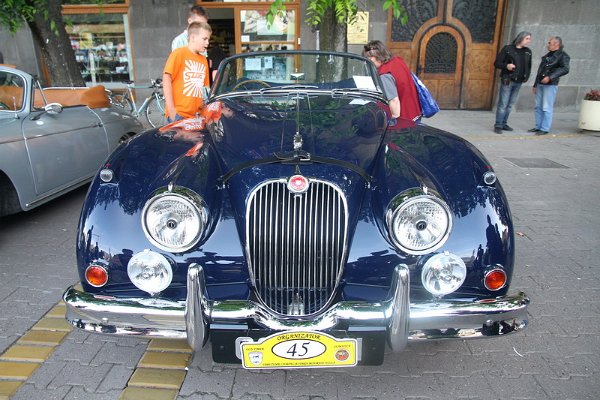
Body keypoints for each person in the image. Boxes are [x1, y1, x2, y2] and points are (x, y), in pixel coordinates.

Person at [163, 22, 212, 122]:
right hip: (179, 114)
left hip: (196, 116)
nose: (207, 43)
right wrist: (171, 110)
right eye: (204, 39)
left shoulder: (203, 60)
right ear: (193, 37)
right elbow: (166, 79)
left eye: (208, 39)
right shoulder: (178, 53)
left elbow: (203, 89)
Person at [362, 40, 421, 121]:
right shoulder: (397, 61)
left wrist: (394, 121)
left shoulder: (385, 75)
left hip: (405, 117)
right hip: (414, 110)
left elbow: (394, 101)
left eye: (368, 59)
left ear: (378, 57)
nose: (367, 62)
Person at [529, 36, 570, 135]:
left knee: (546, 107)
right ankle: (538, 126)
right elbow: (540, 70)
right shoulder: (548, 55)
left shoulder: (563, 55)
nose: (548, 45)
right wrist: (535, 84)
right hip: (540, 83)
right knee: (538, 106)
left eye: (549, 43)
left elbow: (565, 69)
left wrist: (550, 77)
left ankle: (545, 128)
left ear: (556, 44)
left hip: (550, 84)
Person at [493, 31, 532, 134]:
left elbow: (529, 66)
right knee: (503, 104)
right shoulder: (508, 49)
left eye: (529, 39)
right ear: (521, 38)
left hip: (519, 81)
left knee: (510, 105)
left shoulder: (528, 52)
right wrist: (507, 66)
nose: (529, 41)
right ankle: (498, 125)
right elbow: (497, 63)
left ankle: (504, 123)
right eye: (527, 38)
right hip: (508, 80)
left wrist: (526, 77)